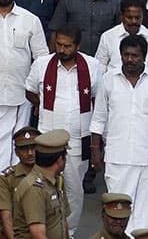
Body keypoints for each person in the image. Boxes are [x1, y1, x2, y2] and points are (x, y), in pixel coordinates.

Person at [90, 34, 148, 234]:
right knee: (117, 214)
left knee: (145, 213)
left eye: (135, 56)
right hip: (117, 159)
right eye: (126, 55)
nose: (130, 59)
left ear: (144, 57)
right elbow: (99, 118)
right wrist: (95, 150)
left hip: (147, 159)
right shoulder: (108, 80)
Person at [23, 25, 103, 237]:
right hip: (47, 138)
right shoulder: (42, 64)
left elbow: (98, 98)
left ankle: (69, 232)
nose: (62, 49)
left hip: (78, 139)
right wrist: (41, 104)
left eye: (67, 46)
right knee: (43, 188)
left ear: (78, 45)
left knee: (74, 191)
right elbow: (29, 90)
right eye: (58, 44)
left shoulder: (93, 65)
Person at [0, 0, 47, 171]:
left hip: (20, 96)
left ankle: (9, 189)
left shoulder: (30, 20)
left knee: (16, 144)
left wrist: (40, 95)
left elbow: (42, 61)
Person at [10, 129, 71, 239]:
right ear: (59, 160)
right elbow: (38, 234)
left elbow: (62, 221)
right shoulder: (34, 188)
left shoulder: (57, 181)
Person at [0, 126, 39, 239]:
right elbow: (6, 217)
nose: (30, 153)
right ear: (16, 152)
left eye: (33, 148)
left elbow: (60, 220)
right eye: (24, 149)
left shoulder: (51, 176)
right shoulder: (6, 179)